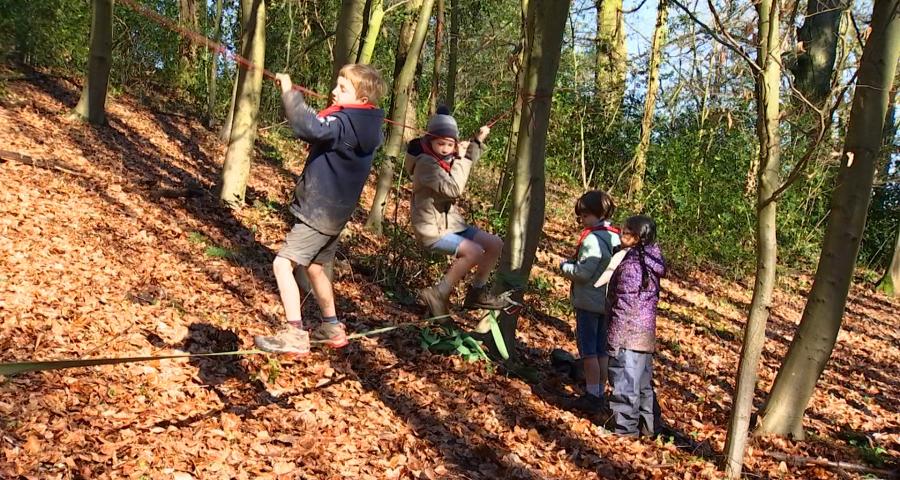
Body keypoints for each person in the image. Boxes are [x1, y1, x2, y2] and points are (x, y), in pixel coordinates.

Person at [254, 64, 385, 357]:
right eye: (336, 85)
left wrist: (290, 93)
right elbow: (323, 126)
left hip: (320, 212)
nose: (333, 92)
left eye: (343, 88)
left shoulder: (344, 124)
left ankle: (294, 333)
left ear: (362, 100)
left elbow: (309, 127)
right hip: (336, 214)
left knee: (282, 264)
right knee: (314, 267)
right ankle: (332, 326)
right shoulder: (365, 126)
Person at [405, 106, 506, 317]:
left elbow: (464, 163)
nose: (445, 149)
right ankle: (438, 293)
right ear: (429, 141)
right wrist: (462, 158)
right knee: (475, 251)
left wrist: (476, 141)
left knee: (495, 244)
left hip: (452, 224)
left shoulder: (444, 159)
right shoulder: (426, 164)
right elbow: (454, 188)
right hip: (432, 230)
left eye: (449, 144)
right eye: (440, 143)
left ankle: (476, 292)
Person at [558, 190, 620, 413]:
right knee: (601, 350)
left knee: (589, 351)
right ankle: (599, 392)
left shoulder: (593, 239)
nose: (581, 221)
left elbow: (584, 272)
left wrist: (565, 267)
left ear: (595, 214)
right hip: (607, 303)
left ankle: (593, 395)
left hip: (589, 303)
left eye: (584, 216)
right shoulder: (616, 236)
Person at [605, 215, 666, 436]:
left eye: (625, 232)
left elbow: (624, 306)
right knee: (642, 385)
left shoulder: (632, 267)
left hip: (629, 334)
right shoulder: (652, 260)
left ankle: (625, 431)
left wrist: (614, 340)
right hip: (645, 334)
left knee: (625, 383)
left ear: (637, 238)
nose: (620, 235)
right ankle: (649, 429)